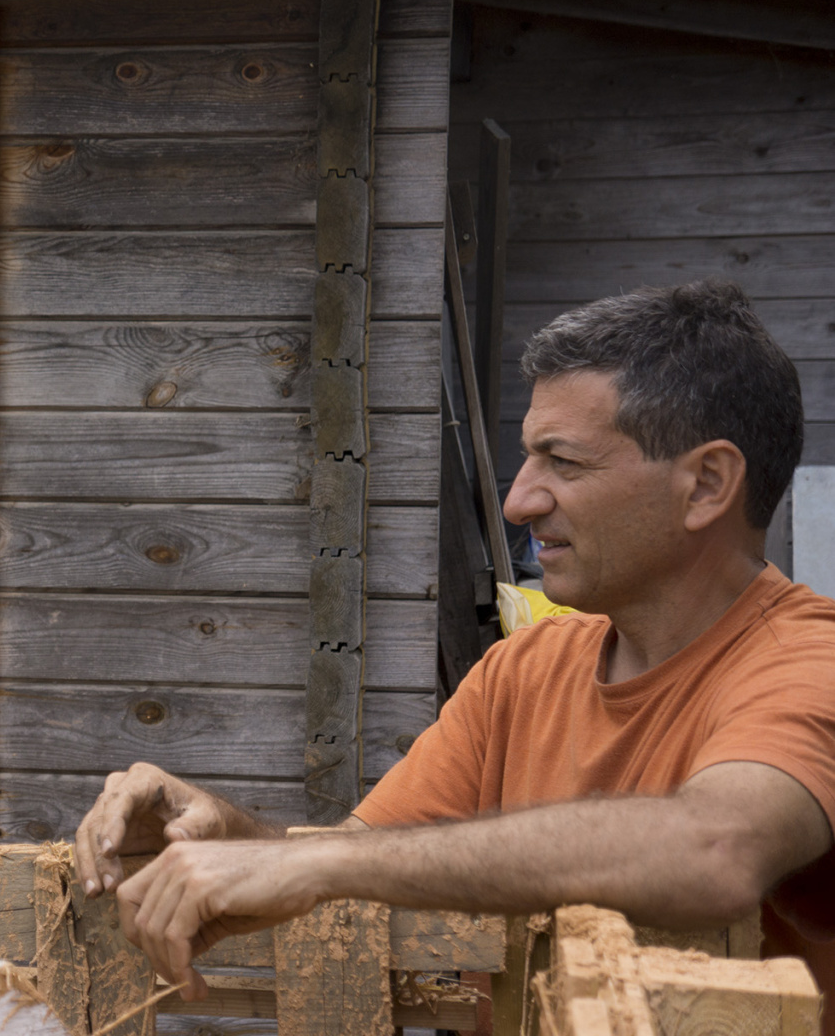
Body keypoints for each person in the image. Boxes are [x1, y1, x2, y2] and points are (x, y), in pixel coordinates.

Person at [71, 279, 835, 1025]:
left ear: (706, 484)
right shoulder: (523, 669)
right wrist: (225, 833)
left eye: (563, 462)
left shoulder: (808, 662)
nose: (519, 500)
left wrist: (312, 865)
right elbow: (363, 859)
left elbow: (716, 849)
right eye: (528, 459)